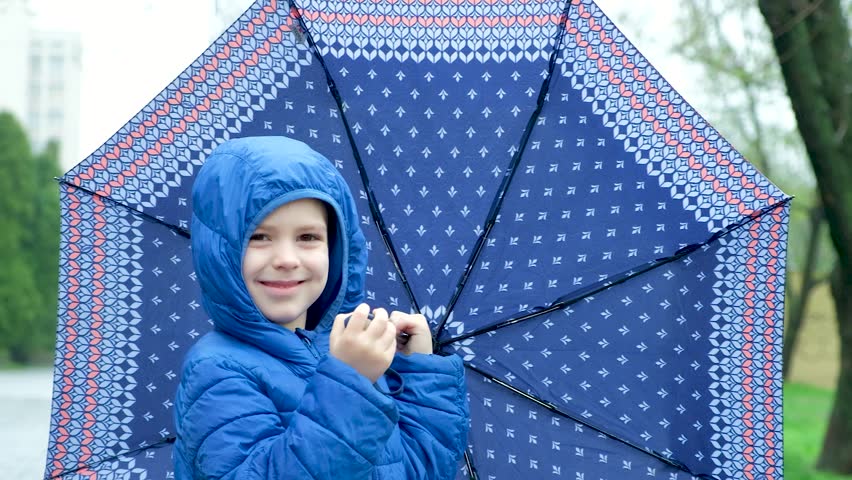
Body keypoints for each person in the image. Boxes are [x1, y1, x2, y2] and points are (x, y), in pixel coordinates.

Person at [172, 136, 470, 479]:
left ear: (337, 248)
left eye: (308, 237)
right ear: (219, 251)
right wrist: (351, 382)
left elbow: (418, 471)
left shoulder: (349, 349)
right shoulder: (217, 370)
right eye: (259, 237)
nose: (286, 259)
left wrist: (418, 371)